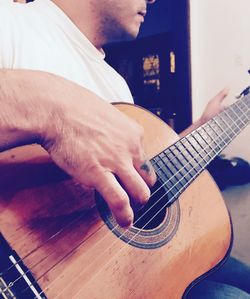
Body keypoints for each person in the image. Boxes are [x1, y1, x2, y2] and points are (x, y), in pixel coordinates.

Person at [0, 1, 249, 298]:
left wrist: (202, 130)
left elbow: (138, 177)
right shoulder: (10, 22)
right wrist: (51, 110)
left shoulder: (116, 85)